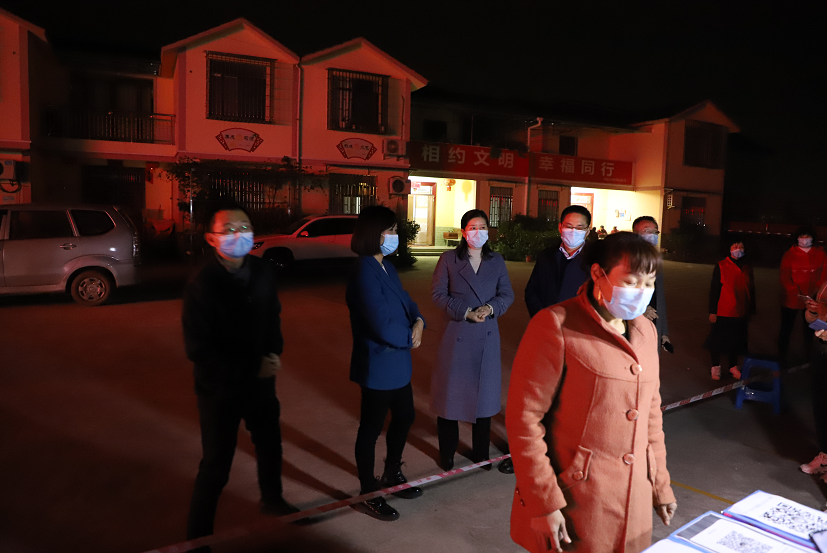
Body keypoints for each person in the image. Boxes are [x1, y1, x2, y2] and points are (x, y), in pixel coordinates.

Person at [506, 232, 676, 553]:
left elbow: (651, 415)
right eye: (631, 282)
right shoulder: (555, 325)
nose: (641, 292)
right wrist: (543, 503)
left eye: (649, 283)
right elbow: (524, 420)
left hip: (635, 498)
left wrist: (660, 485)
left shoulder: (646, 330)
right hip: (578, 501)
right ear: (598, 273)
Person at [182, 202, 297, 543]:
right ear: (211, 239)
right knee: (216, 465)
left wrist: (274, 351)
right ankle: (197, 539)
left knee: (270, 444)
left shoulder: (261, 270)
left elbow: (272, 315)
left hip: (261, 383)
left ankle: (272, 499)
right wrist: (252, 366)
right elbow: (199, 349)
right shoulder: (203, 283)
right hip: (221, 389)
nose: (238, 235)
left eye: (244, 227)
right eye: (229, 230)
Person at [346, 205, 425, 522]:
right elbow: (380, 323)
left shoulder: (386, 267)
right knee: (371, 428)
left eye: (395, 230)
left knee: (405, 416)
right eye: (390, 230)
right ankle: (368, 492)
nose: (395, 235)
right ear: (372, 234)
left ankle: (392, 472)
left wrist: (418, 320)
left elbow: (407, 301)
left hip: (398, 364)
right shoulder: (363, 272)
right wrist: (409, 337)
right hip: (378, 364)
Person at [431, 209, 515, 474]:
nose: (478, 232)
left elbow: (507, 294)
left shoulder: (496, 260)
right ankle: (447, 454)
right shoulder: (448, 259)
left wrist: (490, 308)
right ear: (463, 231)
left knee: (484, 398)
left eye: (482, 227)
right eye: (472, 227)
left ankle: (481, 454)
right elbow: (438, 294)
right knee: (450, 398)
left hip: (487, 334)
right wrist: (465, 312)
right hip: (456, 333)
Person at [524, 205, 592, 318]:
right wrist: (541, 316)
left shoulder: (595, 258)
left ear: (587, 231)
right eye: (569, 226)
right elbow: (532, 290)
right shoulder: (546, 256)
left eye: (579, 228)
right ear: (560, 227)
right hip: (546, 321)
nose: (573, 231)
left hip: (579, 323)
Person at [704, 241, 756, 380]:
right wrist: (712, 311)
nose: (738, 249)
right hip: (724, 310)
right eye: (735, 246)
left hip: (741, 311)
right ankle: (716, 367)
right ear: (729, 248)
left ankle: (733, 366)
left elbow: (751, 289)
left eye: (741, 247)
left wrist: (751, 309)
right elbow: (714, 289)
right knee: (717, 340)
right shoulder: (721, 265)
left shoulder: (747, 267)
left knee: (736, 340)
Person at [778, 225, 827, 364]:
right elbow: (784, 276)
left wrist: (817, 290)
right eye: (802, 236)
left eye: (807, 236)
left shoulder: (821, 254)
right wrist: (794, 291)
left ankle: (809, 358)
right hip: (791, 299)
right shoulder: (789, 255)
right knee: (786, 329)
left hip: (813, 299)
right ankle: (781, 358)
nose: (804, 239)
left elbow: (824, 274)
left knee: (811, 329)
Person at [633, 216, 673, 353]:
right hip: (632, 326)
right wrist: (641, 308)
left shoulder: (655, 262)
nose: (652, 235)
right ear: (635, 235)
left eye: (655, 231)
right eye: (647, 231)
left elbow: (660, 298)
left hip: (653, 325)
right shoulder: (626, 261)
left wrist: (663, 333)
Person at [801, 283, 827, 480]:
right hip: (821, 350)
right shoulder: (825, 286)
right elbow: (812, 319)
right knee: (821, 405)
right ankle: (825, 456)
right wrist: (812, 311)